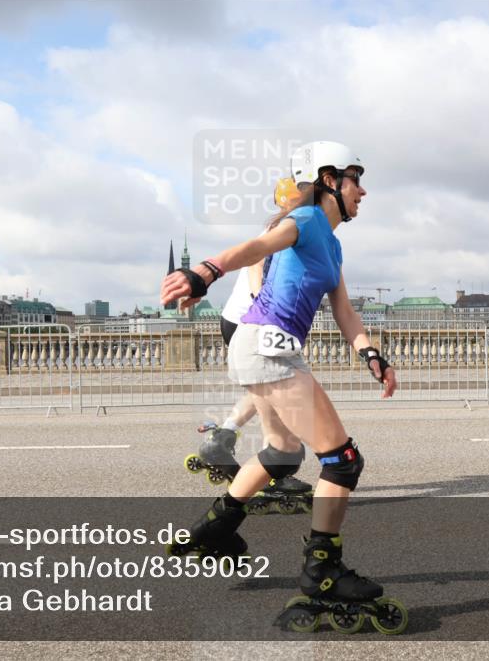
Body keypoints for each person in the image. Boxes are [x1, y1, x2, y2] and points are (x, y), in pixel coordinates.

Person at [160, 142, 406, 633]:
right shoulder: (308, 220)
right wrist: (206, 270)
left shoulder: (332, 244)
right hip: (266, 346)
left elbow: (344, 311)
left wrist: (370, 354)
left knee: (282, 452)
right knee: (342, 461)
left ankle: (215, 529)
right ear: (329, 179)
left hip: (268, 348)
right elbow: (258, 247)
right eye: (356, 178)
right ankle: (323, 574)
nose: (364, 189)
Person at [185, 177, 314, 514]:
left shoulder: (287, 229)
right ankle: (274, 474)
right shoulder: (284, 232)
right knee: (279, 396)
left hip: (241, 319)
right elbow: (257, 267)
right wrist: (266, 311)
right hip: (252, 323)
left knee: (266, 392)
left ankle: (224, 437)